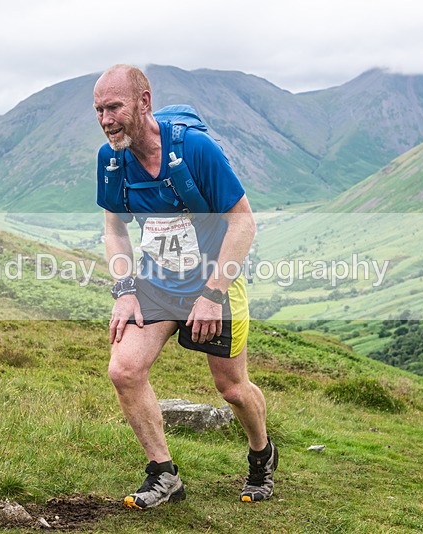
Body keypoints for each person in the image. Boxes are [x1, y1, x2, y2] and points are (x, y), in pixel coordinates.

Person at [93, 64, 276, 508]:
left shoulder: (195, 150)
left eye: (113, 107)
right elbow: (114, 229)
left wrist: (213, 294)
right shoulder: (110, 159)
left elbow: (243, 223)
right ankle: (164, 473)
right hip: (157, 282)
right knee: (124, 370)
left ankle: (261, 454)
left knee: (232, 388)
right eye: (98, 110)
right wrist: (125, 288)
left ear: (144, 102)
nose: (105, 119)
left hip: (214, 282)